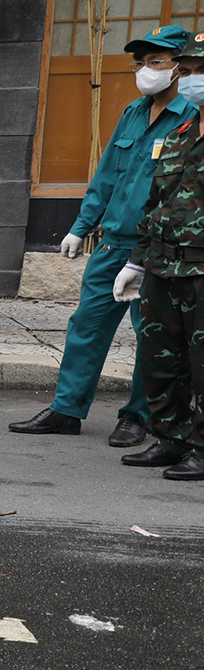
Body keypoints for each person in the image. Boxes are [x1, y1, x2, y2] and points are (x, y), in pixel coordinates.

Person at [10, 24, 197, 447]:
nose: (145, 70)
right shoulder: (133, 112)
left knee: (151, 336)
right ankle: (66, 409)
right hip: (112, 242)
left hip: (155, 249)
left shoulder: (191, 119)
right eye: (140, 62)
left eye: (156, 62)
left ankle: (137, 416)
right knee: (86, 326)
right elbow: (108, 174)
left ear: (179, 67)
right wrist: (81, 226)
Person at [112, 28, 204, 479]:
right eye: (185, 71)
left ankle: (202, 449)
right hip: (163, 266)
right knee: (162, 358)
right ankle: (172, 438)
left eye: (201, 71)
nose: (191, 79)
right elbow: (157, 202)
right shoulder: (182, 131)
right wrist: (137, 259)